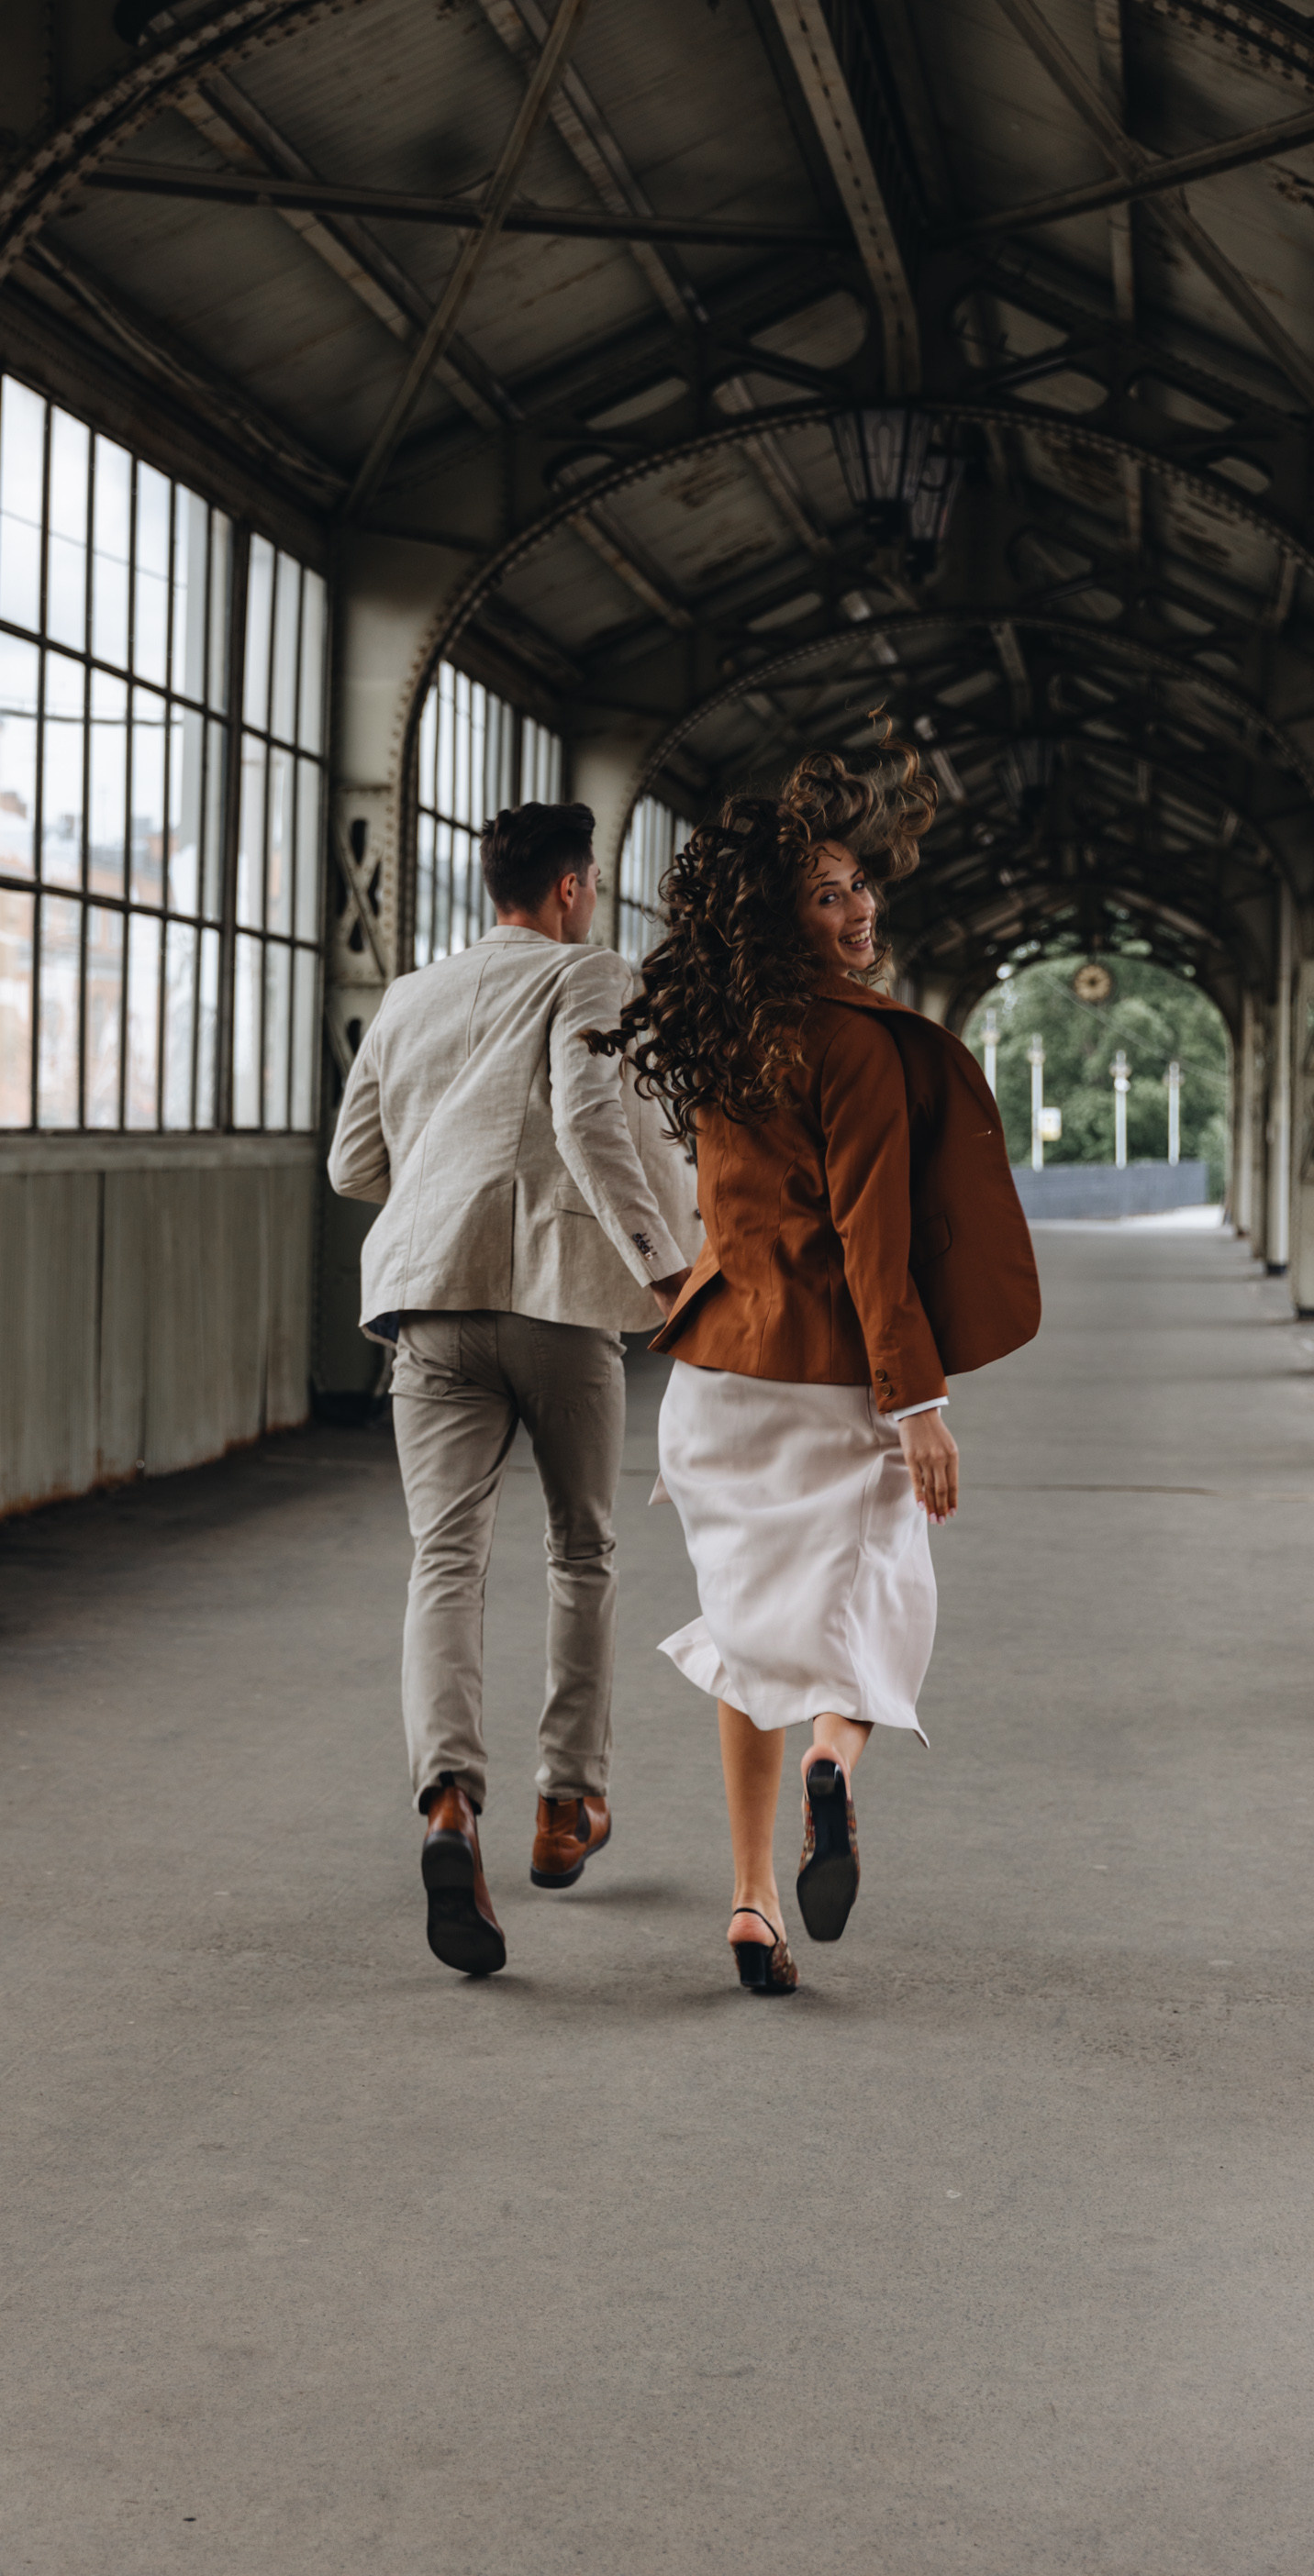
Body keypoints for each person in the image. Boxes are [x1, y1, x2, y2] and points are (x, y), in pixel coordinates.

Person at [586, 737, 1039, 1995]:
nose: (860, 910)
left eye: (860, 886)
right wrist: (922, 1407)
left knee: (747, 1635)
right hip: (835, 1375)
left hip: (719, 1378)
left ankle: (748, 1905)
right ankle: (834, 1762)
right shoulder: (861, 1046)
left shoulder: (729, 1028)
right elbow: (873, 1242)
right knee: (877, 1613)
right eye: (830, 894)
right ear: (786, 916)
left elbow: (714, 1206)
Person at [327, 802, 696, 1980]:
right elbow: (594, 1123)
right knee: (580, 1551)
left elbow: (350, 1165)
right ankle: (563, 1803)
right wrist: (665, 1272)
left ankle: (447, 1806)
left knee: (444, 1559)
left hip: (427, 1303)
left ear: (492, 884)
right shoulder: (592, 974)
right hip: (559, 1300)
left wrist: (444, 1170)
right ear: (574, 888)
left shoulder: (404, 999)